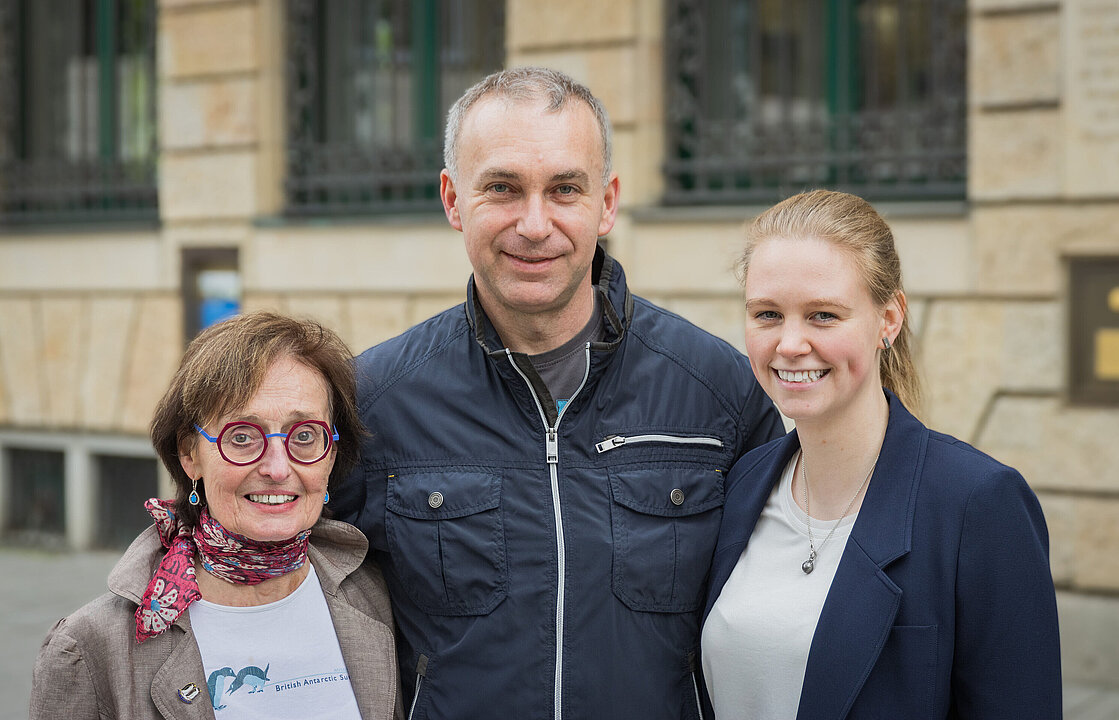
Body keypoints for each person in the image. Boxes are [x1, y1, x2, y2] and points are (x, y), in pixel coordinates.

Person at [330, 66, 784, 719]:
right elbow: (273, 563)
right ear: (453, 200)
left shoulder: (718, 390)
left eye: (565, 188)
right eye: (502, 188)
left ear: (607, 202)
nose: (534, 224)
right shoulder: (373, 400)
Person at [700, 190, 1062, 719]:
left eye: (823, 315)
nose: (790, 343)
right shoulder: (743, 481)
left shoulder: (978, 505)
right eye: (768, 314)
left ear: (888, 319)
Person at [31, 312, 401, 720]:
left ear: (330, 454)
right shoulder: (90, 649)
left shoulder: (375, 593)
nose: (278, 469)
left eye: (304, 435)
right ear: (190, 455)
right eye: (242, 437)